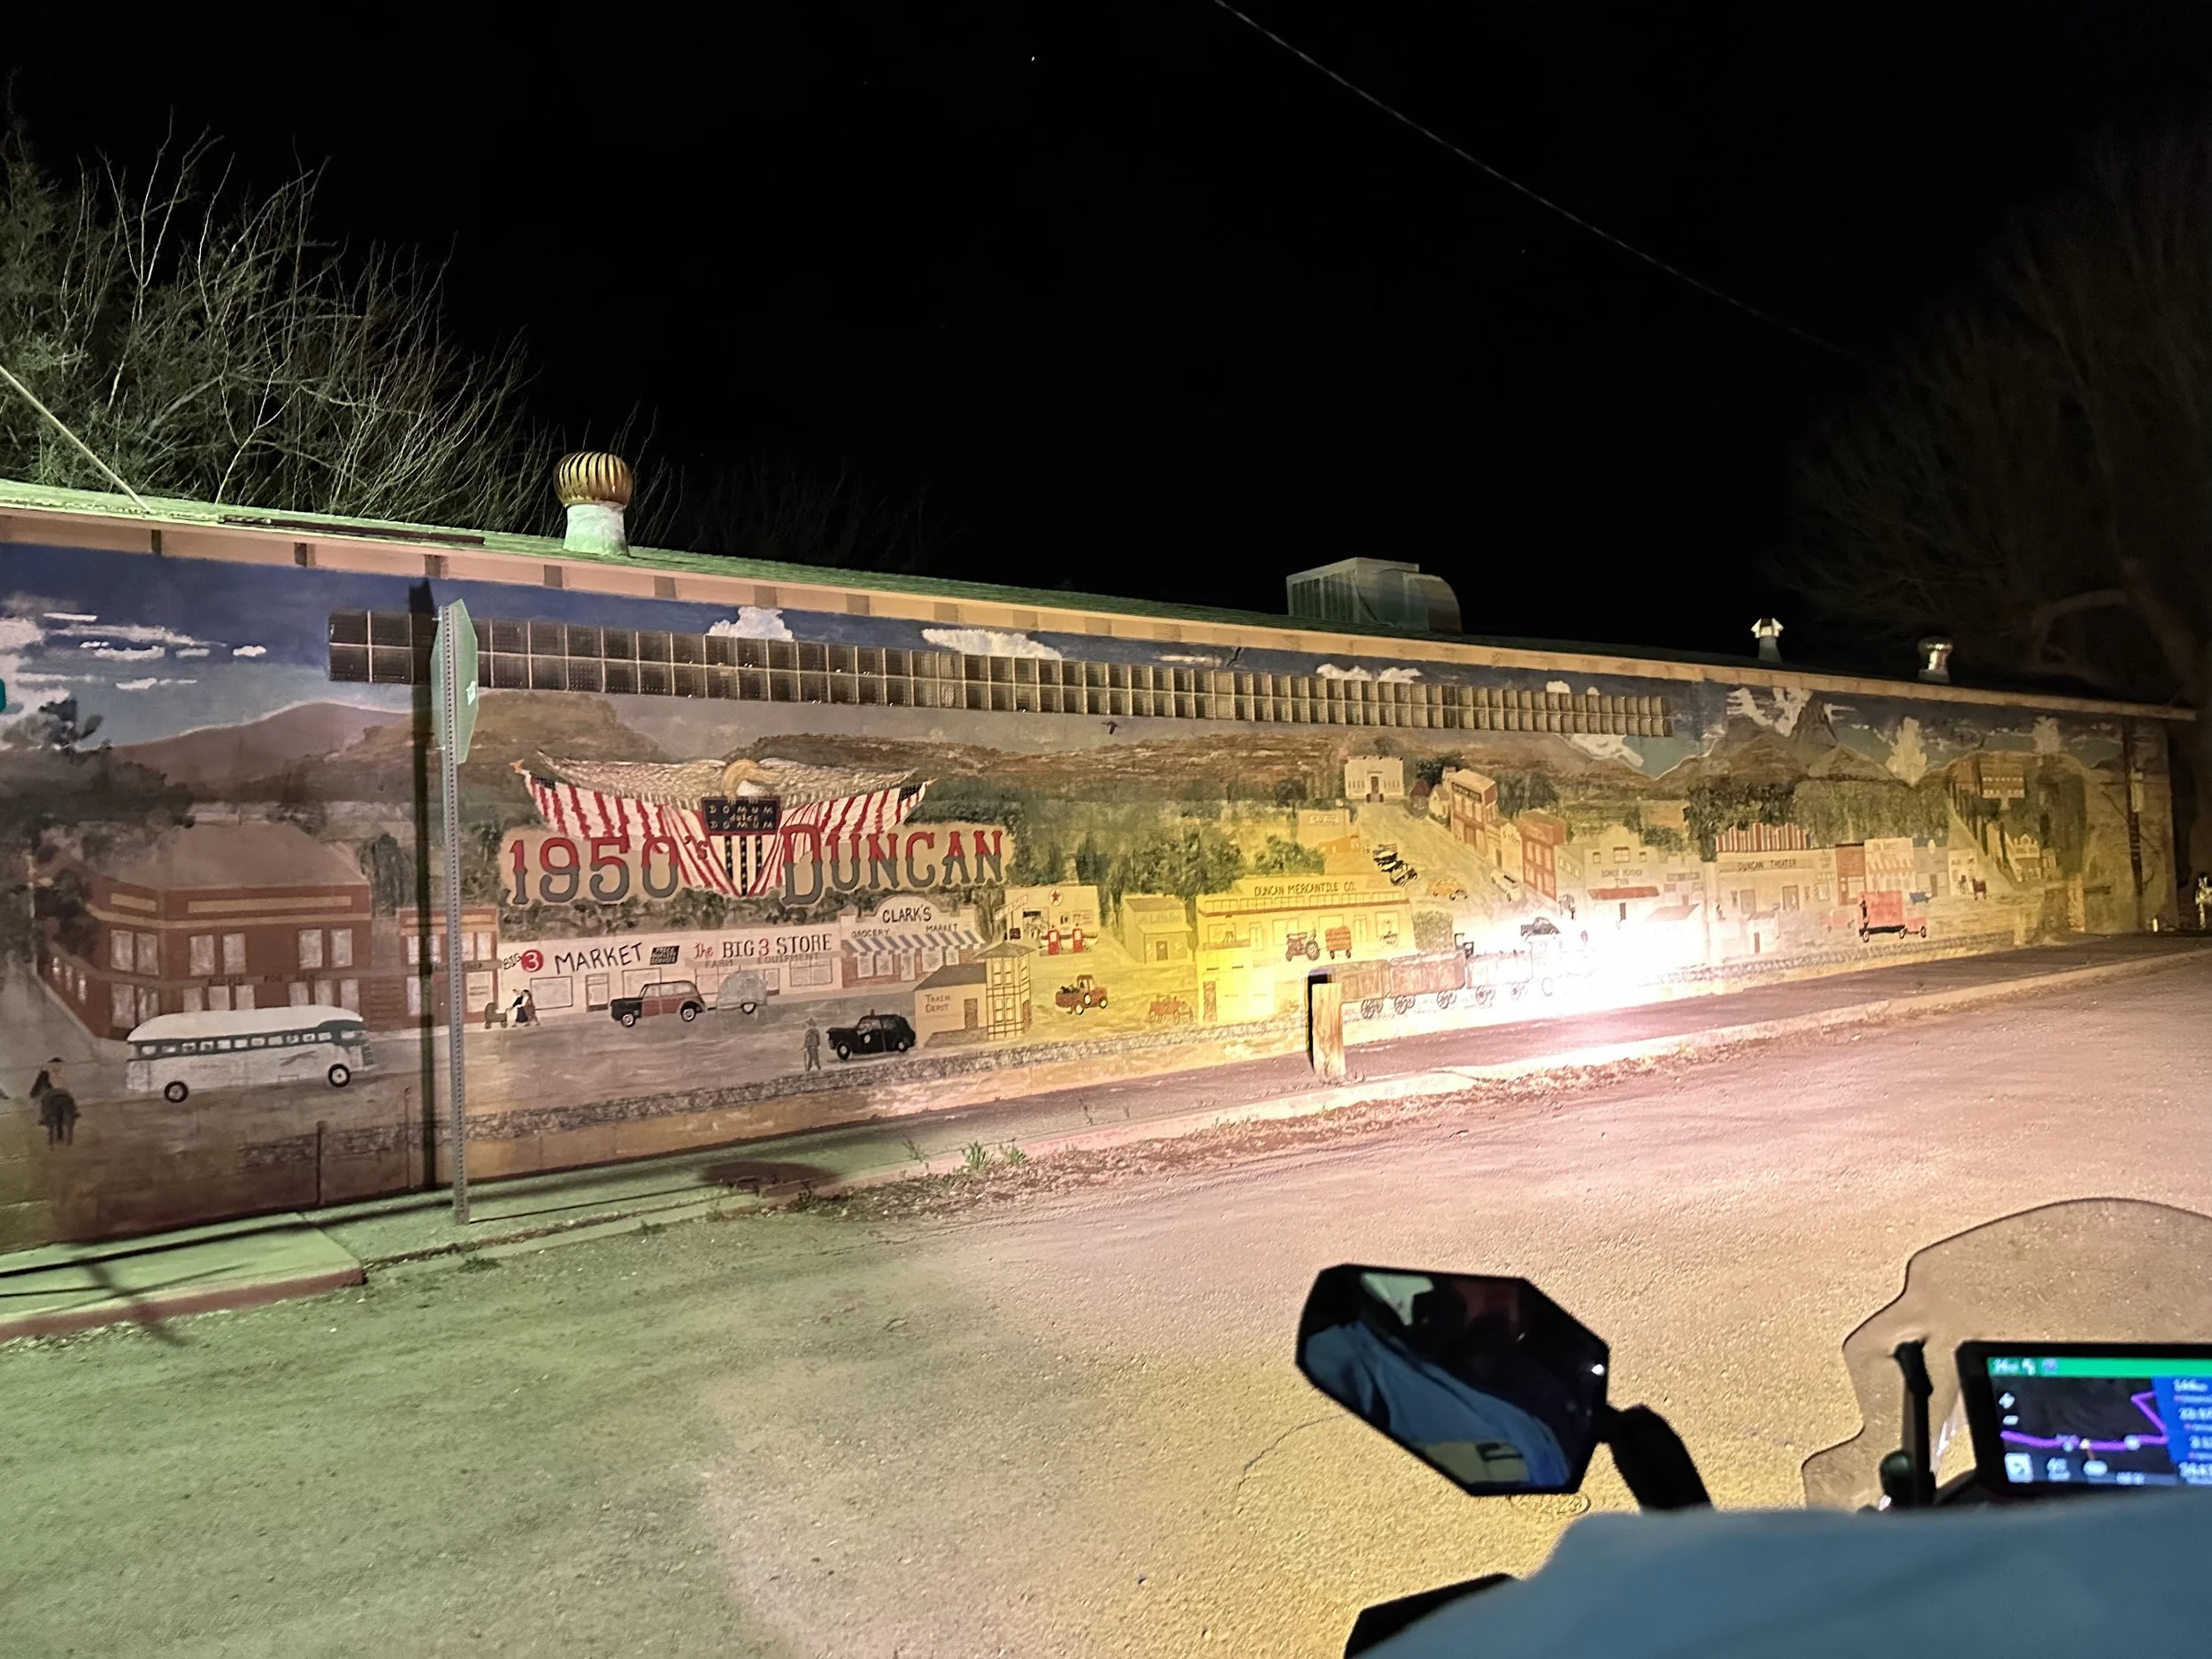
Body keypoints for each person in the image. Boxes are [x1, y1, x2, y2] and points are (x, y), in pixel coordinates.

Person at [32, 1058, 78, 1148]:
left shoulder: (45, 1072)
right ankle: (74, 1112)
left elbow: (37, 1088)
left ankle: (43, 1118)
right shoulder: (64, 1071)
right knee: (70, 1100)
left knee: (42, 1103)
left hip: (52, 1093)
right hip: (64, 1093)